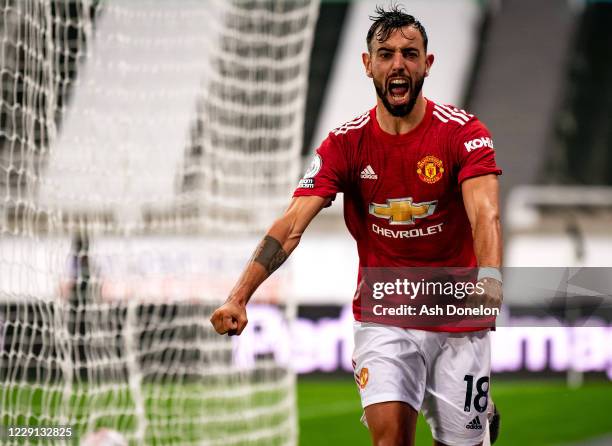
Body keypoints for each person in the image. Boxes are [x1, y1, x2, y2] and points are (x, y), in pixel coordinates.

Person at [211, 5, 503, 446]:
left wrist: (490, 281)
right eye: (385, 54)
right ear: (368, 65)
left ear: (428, 63)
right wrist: (238, 296)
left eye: (410, 53)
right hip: (385, 312)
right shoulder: (345, 144)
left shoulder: (463, 133)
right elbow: (291, 223)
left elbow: (486, 215)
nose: (398, 64)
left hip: (456, 311)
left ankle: (477, 419)